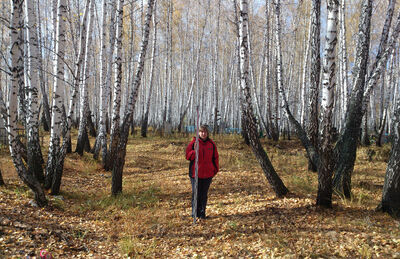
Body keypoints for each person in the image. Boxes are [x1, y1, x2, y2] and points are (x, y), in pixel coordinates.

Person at [185, 125, 219, 220]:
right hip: (195, 174)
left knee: (204, 194)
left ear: (207, 133)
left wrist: (215, 170)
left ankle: (202, 213)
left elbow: (215, 157)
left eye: (205, 132)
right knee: (196, 194)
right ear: (198, 133)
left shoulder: (211, 144)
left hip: (208, 174)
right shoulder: (193, 143)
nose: (203, 134)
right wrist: (194, 151)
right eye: (201, 132)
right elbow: (188, 157)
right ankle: (194, 213)